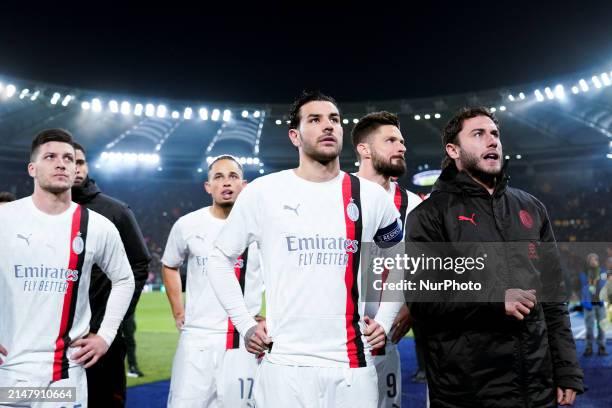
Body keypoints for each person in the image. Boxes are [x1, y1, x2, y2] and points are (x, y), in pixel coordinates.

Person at [207, 91, 403, 408]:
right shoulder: (263, 192)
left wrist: (386, 317)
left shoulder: (369, 196)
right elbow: (219, 258)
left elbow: (399, 258)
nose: (328, 126)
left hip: (352, 365)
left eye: (334, 120)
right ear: (294, 136)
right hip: (284, 366)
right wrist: (245, 324)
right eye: (315, 119)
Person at [405, 107, 584, 407]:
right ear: (454, 150)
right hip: (468, 393)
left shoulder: (532, 208)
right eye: (478, 134)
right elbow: (423, 299)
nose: (492, 141)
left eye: (495, 134)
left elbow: (554, 299)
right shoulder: (430, 215)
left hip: (537, 390)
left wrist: (566, 369)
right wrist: (494, 299)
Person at [0, 129, 135, 407]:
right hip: (8, 373)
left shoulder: (97, 226)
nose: (61, 163)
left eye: (68, 158)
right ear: (32, 168)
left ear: (76, 168)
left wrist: (106, 335)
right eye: (50, 157)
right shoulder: (5, 218)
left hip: (66, 374)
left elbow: (124, 279)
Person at [162, 155, 264, 408]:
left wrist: (269, 316)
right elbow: (169, 265)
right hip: (198, 338)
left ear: (244, 184)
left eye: (233, 176)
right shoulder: (188, 225)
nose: (226, 183)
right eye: (218, 177)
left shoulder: (263, 229)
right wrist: (178, 311)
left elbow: (283, 277)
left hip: (244, 340)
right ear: (208, 187)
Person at [71, 142, 151, 406]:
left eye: (79, 161)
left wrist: (107, 327)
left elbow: (139, 265)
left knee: (103, 401)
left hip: (101, 340)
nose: (73, 167)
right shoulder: (36, 215)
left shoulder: (115, 212)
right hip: (48, 343)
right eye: (66, 160)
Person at [352, 111, 423, 407]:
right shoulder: (337, 193)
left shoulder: (414, 204)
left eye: (402, 141)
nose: (402, 147)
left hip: (387, 337)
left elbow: (426, 267)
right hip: (339, 338)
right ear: (364, 149)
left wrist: (411, 306)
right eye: (391, 140)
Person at [578, 253, 607, 356]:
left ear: (598, 261)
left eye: (595, 259)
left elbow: (605, 285)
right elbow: (583, 285)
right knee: (589, 327)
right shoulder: (583, 273)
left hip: (600, 303)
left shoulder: (603, 272)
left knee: (602, 327)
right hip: (588, 303)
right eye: (591, 260)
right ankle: (589, 347)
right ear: (588, 261)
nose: (593, 261)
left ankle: (602, 347)